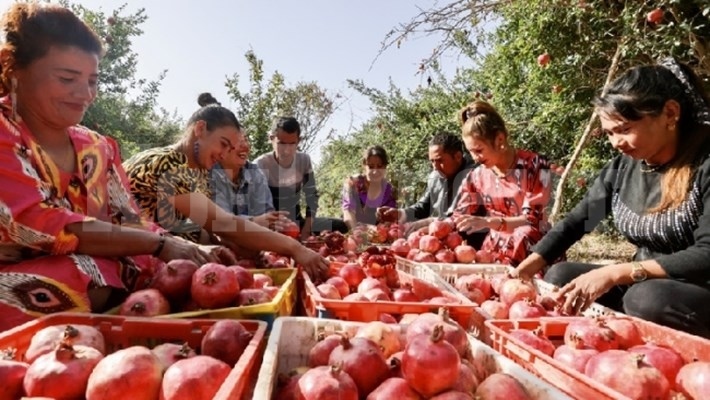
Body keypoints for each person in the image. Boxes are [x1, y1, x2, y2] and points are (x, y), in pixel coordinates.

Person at [0, 3, 236, 331]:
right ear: (15, 72)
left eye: (93, 81)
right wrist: (159, 245)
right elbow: (35, 223)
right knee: (82, 273)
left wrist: (186, 249)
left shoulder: (97, 147)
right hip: (22, 277)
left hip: (103, 264)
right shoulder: (4, 132)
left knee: (155, 263)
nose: (85, 94)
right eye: (67, 78)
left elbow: (130, 220)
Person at [514, 59, 710, 338]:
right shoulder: (623, 166)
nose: (616, 142)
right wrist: (525, 268)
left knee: (645, 299)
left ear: (670, 113)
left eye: (625, 129)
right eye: (609, 133)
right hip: (643, 281)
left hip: (695, 288)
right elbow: (578, 220)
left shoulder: (705, 163)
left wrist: (616, 273)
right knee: (561, 278)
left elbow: (707, 254)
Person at [123, 94, 327, 276]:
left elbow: (208, 230)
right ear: (200, 129)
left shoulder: (200, 172)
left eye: (229, 147)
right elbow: (223, 223)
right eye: (223, 144)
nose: (223, 153)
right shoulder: (168, 163)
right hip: (131, 259)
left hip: (169, 260)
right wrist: (294, 248)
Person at [451, 100, 552, 265]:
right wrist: (428, 226)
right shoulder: (476, 176)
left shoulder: (535, 165)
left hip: (531, 249)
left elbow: (532, 220)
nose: (475, 158)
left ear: (499, 139)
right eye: (471, 152)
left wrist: (488, 222)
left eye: (479, 150)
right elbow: (459, 215)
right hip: (494, 251)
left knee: (523, 233)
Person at [377, 132, 484, 244]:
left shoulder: (475, 175)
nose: (435, 167)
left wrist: (427, 224)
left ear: (457, 157)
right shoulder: (435, 176)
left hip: (470, 247)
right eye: (432, 161)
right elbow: (423, 206)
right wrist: (401, 214)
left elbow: (461, 217)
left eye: (440, 160)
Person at [254, 117, 347, 239]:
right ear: (271, 138)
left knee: (341, 226)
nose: (286, 150)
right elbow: (258, 207)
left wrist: (306, 230)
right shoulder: (261, 165)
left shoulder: (304, 160)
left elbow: (311, 196)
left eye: (292, 144)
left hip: (298, 222)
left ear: (299, 141)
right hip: (272, 225)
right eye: (281, 143)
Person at [211, 127, 288, 229]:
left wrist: (275, 222)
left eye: (246, 140)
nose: (245, 147)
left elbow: (266, 217)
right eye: (239, 141)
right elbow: (220, 223)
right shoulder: (209, 173)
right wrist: (255, 221)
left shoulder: (255, 173)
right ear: (223, 145)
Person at [342, 145, 397, 230]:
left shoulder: (389, 192)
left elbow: (389, 222)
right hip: (351, 229)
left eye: (379, 166)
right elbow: (348, 212)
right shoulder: (353, 184)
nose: (375, 171)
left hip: (377, 234)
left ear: (385, 167)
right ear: (364, 166)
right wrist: (355, 232)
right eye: (371, 167)